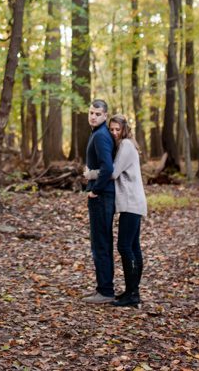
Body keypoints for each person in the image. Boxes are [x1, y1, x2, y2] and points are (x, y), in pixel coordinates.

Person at [108, 114, 147, 308]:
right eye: (112, 129)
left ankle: (132, 293)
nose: (115, 133)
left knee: (124, 246)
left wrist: (91, 173)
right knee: (133, 246)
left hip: (131, 203)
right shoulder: (128, 144)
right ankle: (132, 291)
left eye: (118, 129)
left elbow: (113, 173)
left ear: (124, 129)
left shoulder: (125, 145)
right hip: (135, 202)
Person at [81, 99, 116, 304]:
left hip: (102, 197)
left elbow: (108, 168)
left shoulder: (101, 135)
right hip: (103, 196)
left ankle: (105, 291)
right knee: (102, 242)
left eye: (97, 114)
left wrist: (96, 190)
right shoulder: (98, 133)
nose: (93, 116)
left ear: (105, 116)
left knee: (100, 244)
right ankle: (104, 288)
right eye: (91, 113)